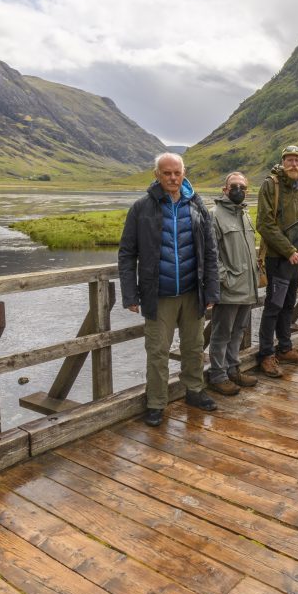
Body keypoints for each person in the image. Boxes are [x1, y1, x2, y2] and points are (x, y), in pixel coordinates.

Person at [120, 152, 220, 426]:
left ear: (184, 173)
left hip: (192, 291)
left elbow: (210, 251)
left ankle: (195, 391)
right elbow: (127, 253)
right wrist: (130, 294)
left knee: (194, 346)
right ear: (157, 175)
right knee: (157, 350)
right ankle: (156, 403)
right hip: (158, 294)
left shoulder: (197, 206)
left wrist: (211, 289)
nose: (173, 178)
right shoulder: (141, 208)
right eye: (167, 173)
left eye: (177, 173)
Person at [255, 144, 298, 378]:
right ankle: (266, 354)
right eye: (289, 160)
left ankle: (285, 347)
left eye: (297, 160)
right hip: (278, 259)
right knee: (274, 306)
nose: (294, 164)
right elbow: (264, 224)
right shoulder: (271, 185)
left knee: (289, 304)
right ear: (282, 162)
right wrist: (290, 251)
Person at [206, 171, 260, 396]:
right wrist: (225, 279)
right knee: (221, 333)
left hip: (248, 287)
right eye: (234, 186)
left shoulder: (245, 214)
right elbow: (212, 254)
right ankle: (217, 375)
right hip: (230, 288)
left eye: (242, 187)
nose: (238, 190)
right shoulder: (214, 214)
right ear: (225, 189)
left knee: (238, 330)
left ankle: (233, 369)